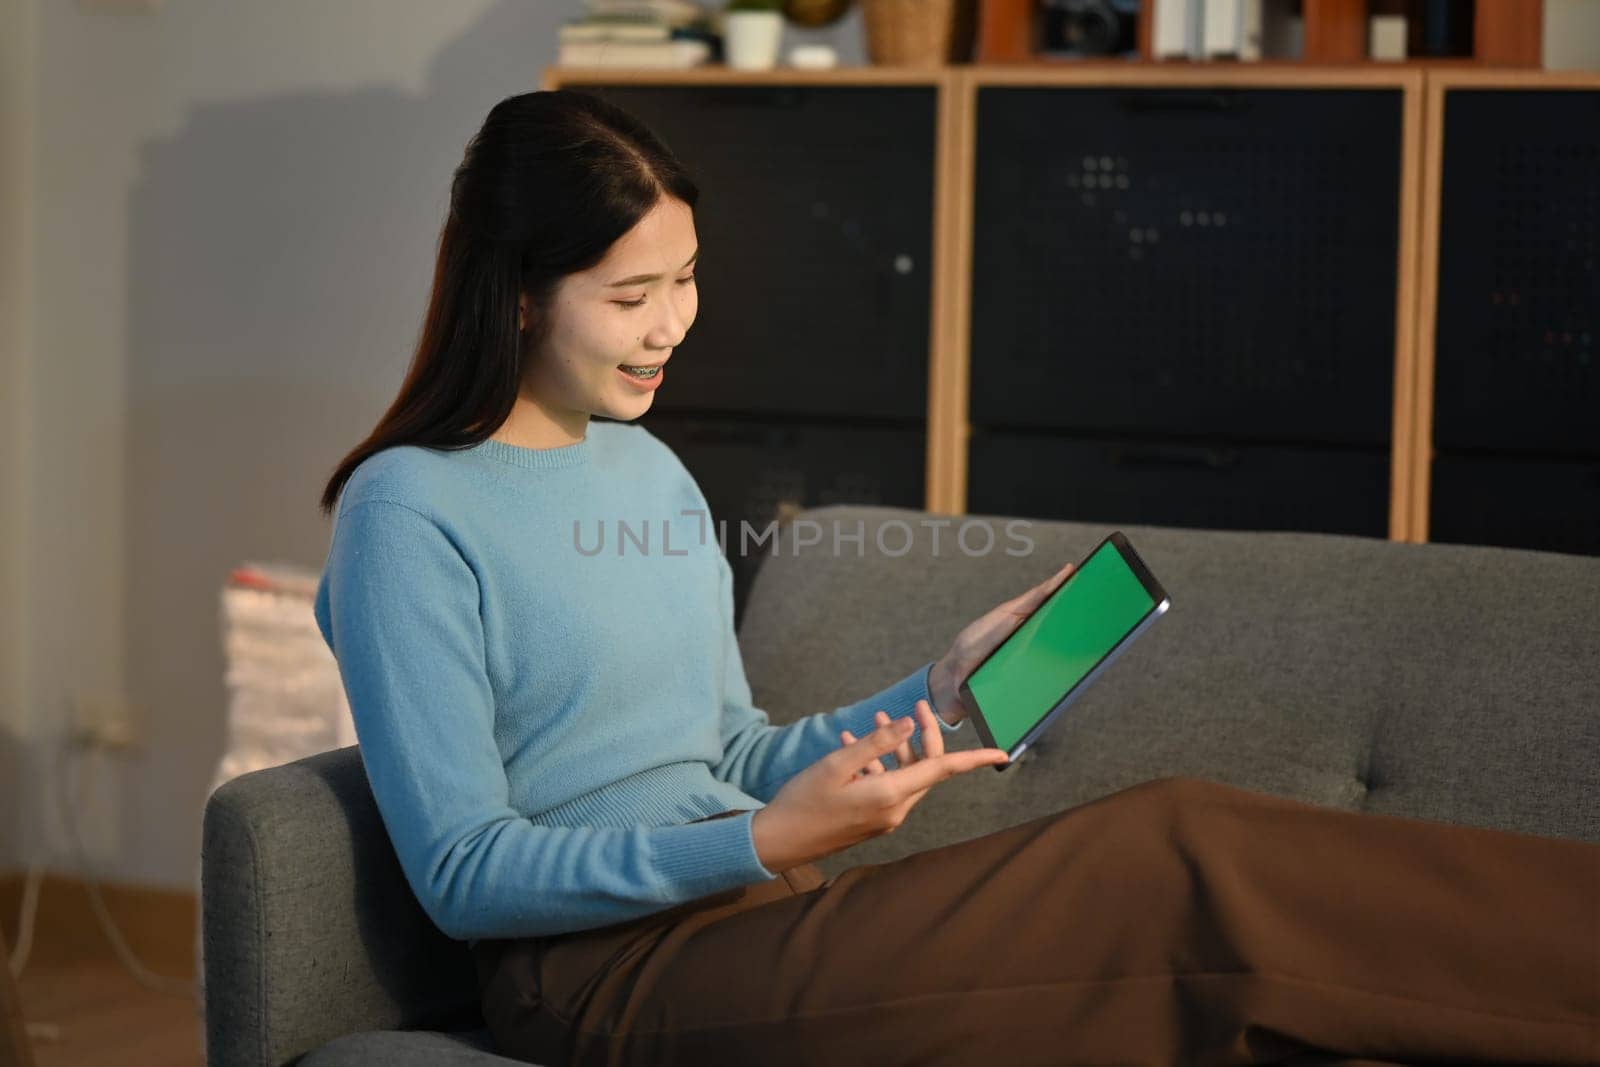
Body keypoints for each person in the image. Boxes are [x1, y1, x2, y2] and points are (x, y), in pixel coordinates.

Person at [313, 90, 1598, 1067]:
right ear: (522, 297)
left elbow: (733, 745)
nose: (674, 324)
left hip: (762, 908)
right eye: (631, 292)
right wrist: (752, 841)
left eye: (688, 277)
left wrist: (931, 689)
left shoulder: (644, 469)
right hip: (593, 979)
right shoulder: (408, 511)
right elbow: (466, 870)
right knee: (1174, 852)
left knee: (1190, 846)